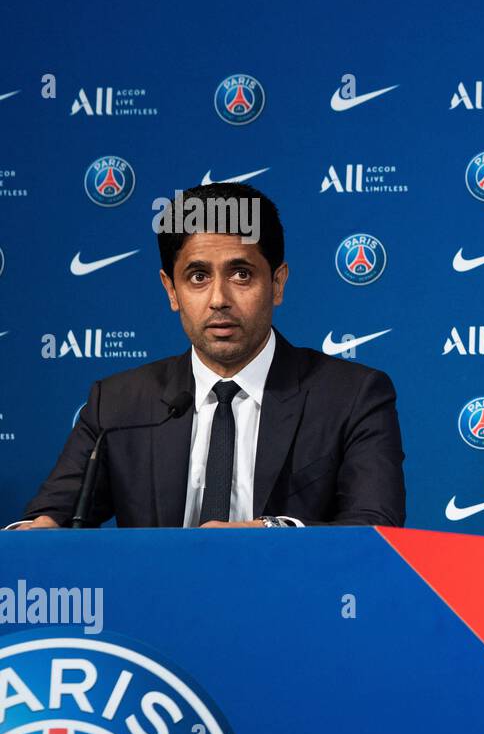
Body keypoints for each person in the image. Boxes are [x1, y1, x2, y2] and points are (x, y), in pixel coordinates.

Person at [8, 182, 405, 529]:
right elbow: (50, 517)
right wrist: (40, 529)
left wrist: (272, 532)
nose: (219, 299)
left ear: (277, 284)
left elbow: (375, 524)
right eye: (198, 277)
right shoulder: (116, 404)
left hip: (292, 606)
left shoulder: (352, 396)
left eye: (241, 274)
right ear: (171, 290)